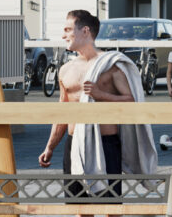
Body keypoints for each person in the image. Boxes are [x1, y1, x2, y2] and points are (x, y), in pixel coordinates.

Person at [39, 9, 156, 177]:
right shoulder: (65, 70)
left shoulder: (111, 65)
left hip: (105, 144)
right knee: (74, 202)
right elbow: (62, 112)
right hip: (74, 144)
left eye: (68, 30)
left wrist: (102, 95)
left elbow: (131, 102)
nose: (64, 36)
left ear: (85, 31)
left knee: (107, 201)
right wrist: (50, 147)